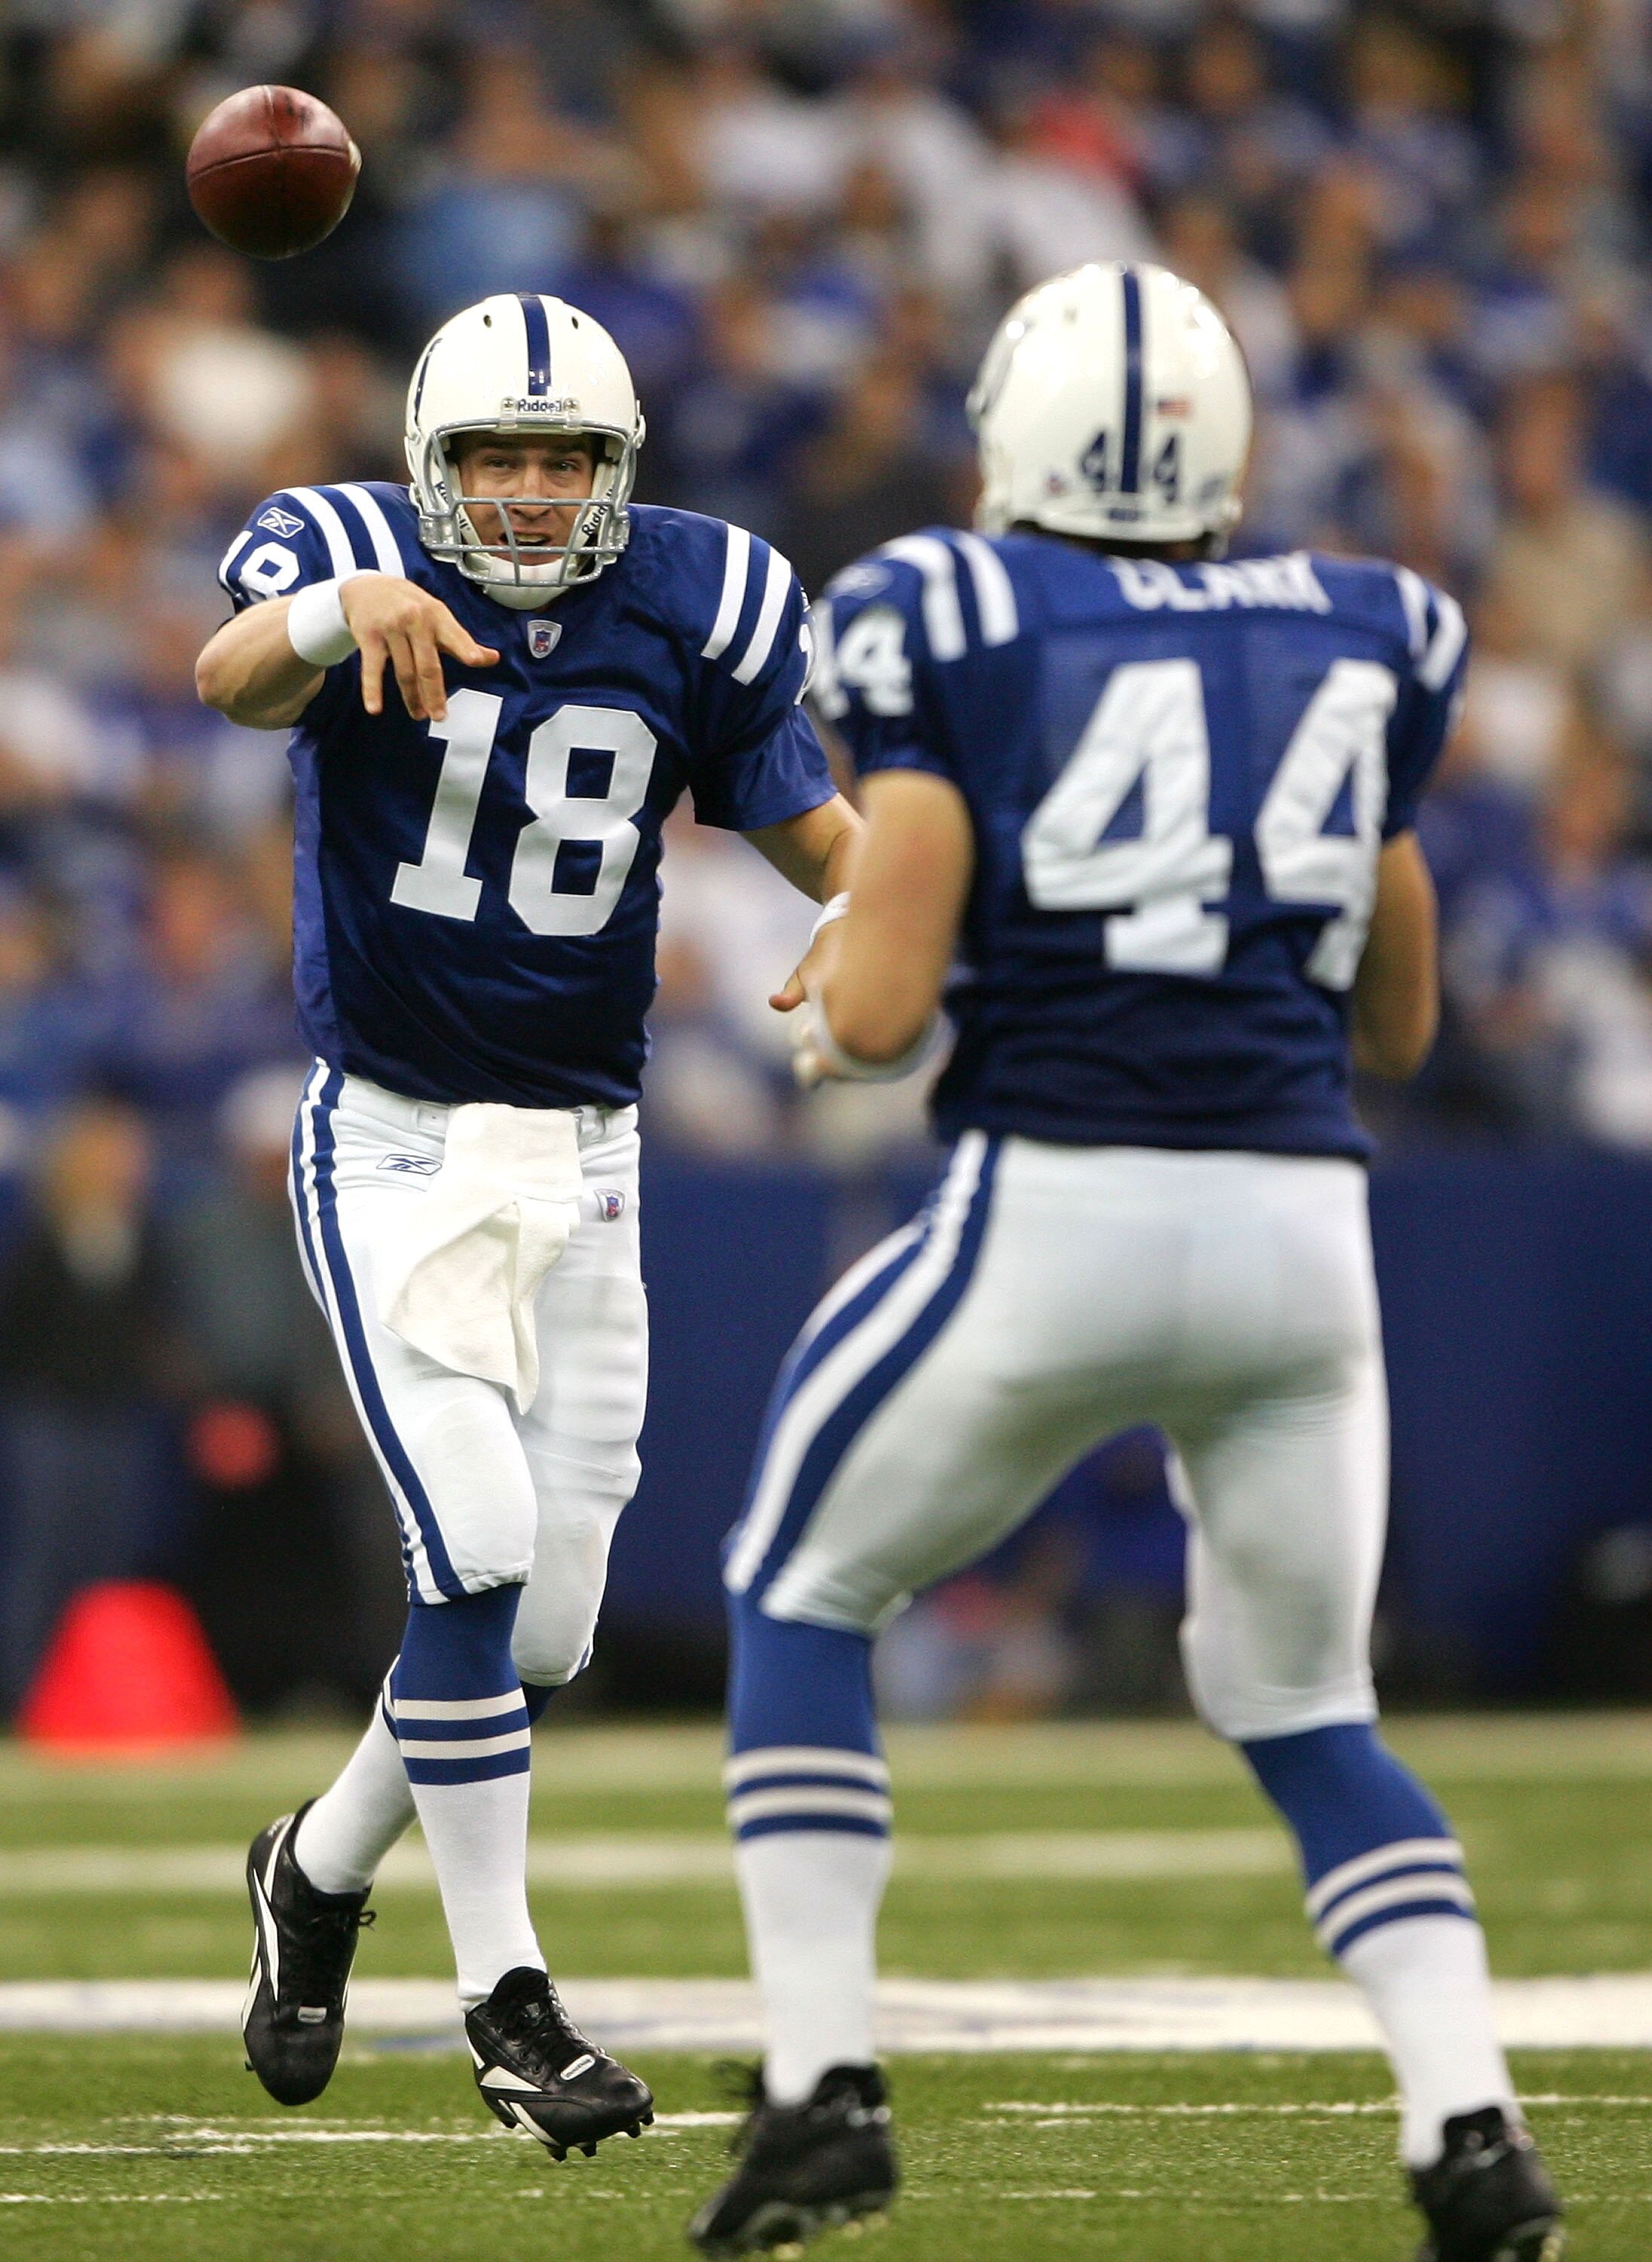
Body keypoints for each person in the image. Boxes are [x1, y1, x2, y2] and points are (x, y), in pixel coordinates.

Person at [689, 264, 1565, 2262]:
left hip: (1063, 1203)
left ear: (1018, 436)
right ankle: (1471, 2130)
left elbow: (895, 1004)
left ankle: (823, 2088)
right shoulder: (1369, 627)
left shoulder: (954, 610)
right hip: (1300, 1245)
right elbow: (1402, 1027)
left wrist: (843, 1006)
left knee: (800, 1587)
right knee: (1309, 1710)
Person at [195, 293, 858, 2159]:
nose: (530, 489)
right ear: (433, 461)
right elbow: (228, 674)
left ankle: (315, 1871)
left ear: (618, 471)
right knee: (474, 1554)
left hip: (589, 1154)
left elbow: (797, 810)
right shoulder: (346, 550)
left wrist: (885, 912)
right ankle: (510, 2003)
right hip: (399, 1142)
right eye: (496, 454)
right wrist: (337, 618)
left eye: (564, 457)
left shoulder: (694, 597)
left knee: (547, 1622)